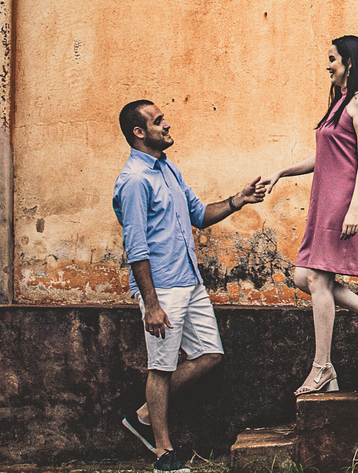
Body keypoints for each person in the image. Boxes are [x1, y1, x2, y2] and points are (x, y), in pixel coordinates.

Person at [113, 99, 266, 473]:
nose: (166, 125)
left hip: (190, 282)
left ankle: (145, 415)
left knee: (210, 354)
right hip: (162, 288)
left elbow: (199, 215)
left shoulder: (169, 170)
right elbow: (136, 247)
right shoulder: (134, 181)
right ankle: (164, 453)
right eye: (158, 121)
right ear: (139, 131)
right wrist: (151, 304)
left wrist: (238, 200)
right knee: (160, 368)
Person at [261, 35, 358, 397]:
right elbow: (324, 158)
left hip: (343, 201)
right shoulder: (339, 102)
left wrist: (354, 208)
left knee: (319, 280)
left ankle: (322, 367)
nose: (327, 65)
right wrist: (282, 171)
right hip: (324, 200)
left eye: (332, 59)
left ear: (350, 63)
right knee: (303, 277)